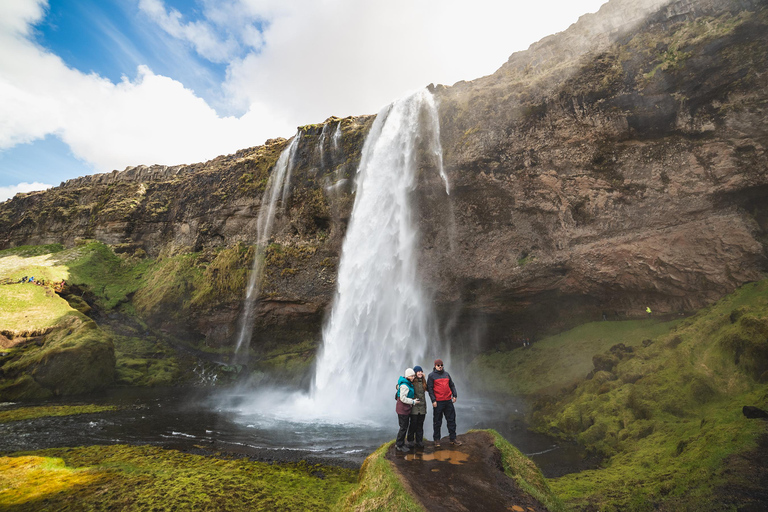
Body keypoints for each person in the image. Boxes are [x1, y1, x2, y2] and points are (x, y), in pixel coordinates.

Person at [427, 359, 461, 447]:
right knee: (437, 421)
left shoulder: (447, 374)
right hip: (438, 402)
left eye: (441, 365)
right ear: (435, 366)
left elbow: (452, 385)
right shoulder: (431, 376)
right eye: (438, 365)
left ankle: (453, 438)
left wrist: (455, 395)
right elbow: (430, 389)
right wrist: (433, 400)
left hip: (448, 401)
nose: (440, 366)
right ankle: (437, 440)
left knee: (451, 420)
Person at [395, 368, 420, 452]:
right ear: (408, 376)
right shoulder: (405, 385)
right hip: (402, 409)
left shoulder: (406, 383)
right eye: (412, 376)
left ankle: (400, 443)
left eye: (413, 375)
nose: (413, 377)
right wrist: (413, 402)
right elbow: (402, 398)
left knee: (404, 427)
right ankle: (399, 445)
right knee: (403, 427)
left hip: (404, 409)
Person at [407, 365, 427, 449]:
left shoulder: (424, 382)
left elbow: (432, 388)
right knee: (413, 424)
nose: (420, 373)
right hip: (414, 407)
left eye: (421, 371)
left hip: (422, 407)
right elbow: (403, 383)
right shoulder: (411, 382)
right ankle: (410, 440)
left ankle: (419, 441)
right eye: (418, 371)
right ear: (415, 373)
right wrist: (397, 386)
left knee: (420, 425)